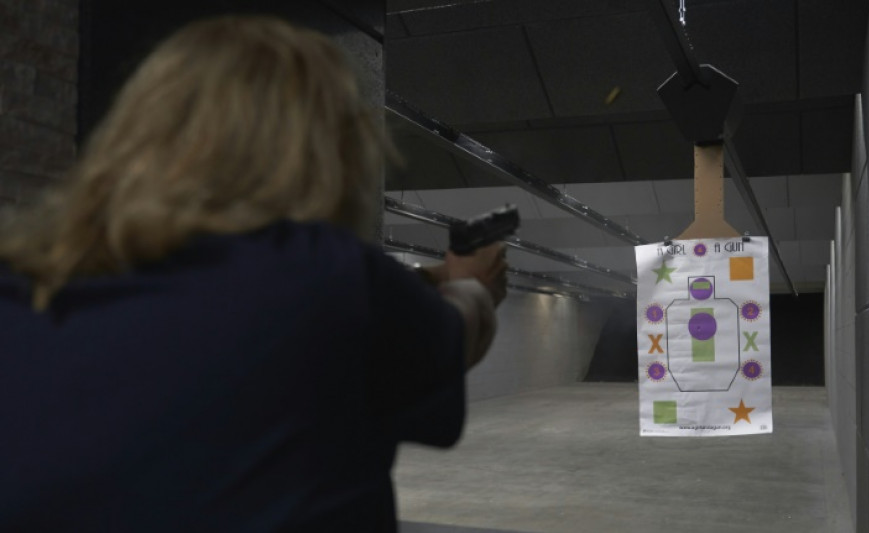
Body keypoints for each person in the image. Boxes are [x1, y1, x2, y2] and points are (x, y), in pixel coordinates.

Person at [0, 15, 506, 532]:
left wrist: (427, 279)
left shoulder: (20, 283)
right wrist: (471, 281)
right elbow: (454, 336)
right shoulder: (328, 277)